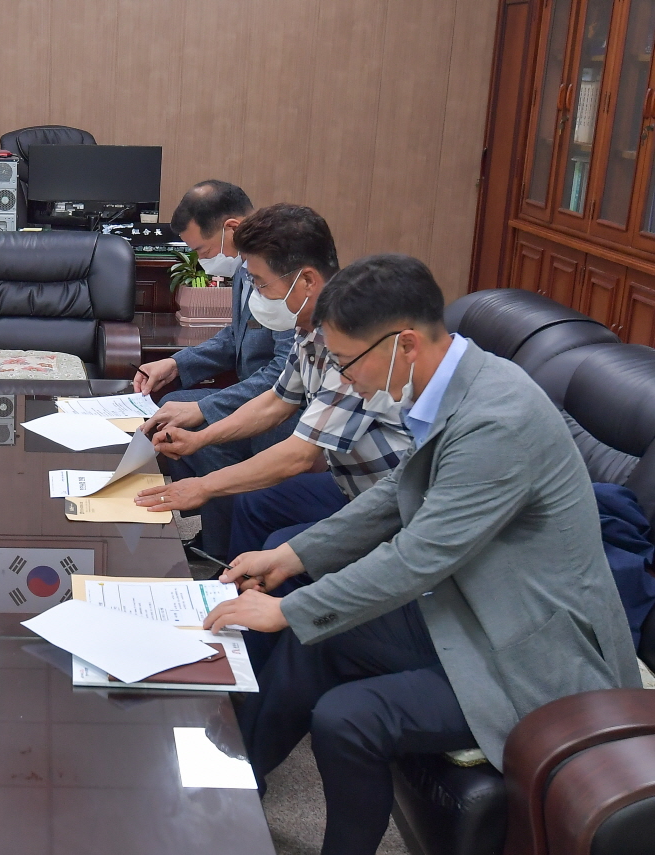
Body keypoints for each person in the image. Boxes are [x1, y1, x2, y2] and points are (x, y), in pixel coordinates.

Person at [204, 254, 640, 855]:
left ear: (404, 344)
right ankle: (228, 791)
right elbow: (395, 494)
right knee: (308, 633)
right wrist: (292, 556)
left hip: (531, 654)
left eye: (346, 361)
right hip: (468, 609)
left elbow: (418, 556)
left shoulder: (496, 419)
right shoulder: (453, 384)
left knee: (346, 715)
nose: (342, 378)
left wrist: (288, 608)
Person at [136, 205, 412, 563]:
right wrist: (200, 438)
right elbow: (276, 401)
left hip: (391, 498)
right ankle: (234, 586)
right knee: (252, 504)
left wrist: (203, 487)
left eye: (261, 283)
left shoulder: (356, 339)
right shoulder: (309, 326)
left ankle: (259, 589)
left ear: (307, 280)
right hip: (346, 480)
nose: (256, 294)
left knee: (279, 546)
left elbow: (299, 455)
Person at [131, 181, 296, 481]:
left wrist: (204, 408)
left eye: (202, 250)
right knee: (169, 410)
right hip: (252, 392)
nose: (201, 260)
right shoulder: (245, 267)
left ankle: (227, 506)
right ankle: (201, 502)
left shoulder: (283, 272)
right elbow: (237, 336)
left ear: (231, 229)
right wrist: (175, 363)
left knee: (187, 426)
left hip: (282, 411)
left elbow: (284, 373)